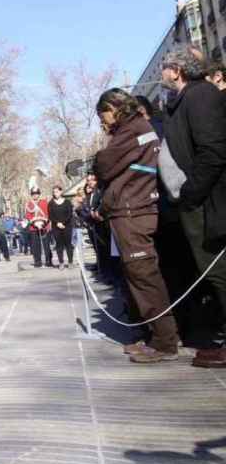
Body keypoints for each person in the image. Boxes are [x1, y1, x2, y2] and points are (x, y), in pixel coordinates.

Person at [93, 87, 180, 363]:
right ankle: (157, 337)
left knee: (144, 276)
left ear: (114, 107)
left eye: (103, 115)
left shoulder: (132, 130)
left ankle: (165, 342)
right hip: (131, 209)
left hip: (132, 211)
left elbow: (104, 165)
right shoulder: (134, 129)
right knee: (140, 277)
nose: (103, 122)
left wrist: (100, 157)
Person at [159, 49, 226, 367]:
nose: (162, 73)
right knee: (209, 271)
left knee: (218, 272)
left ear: (176, 70)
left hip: (206, 202)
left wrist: (190, 194)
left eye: (164, 68)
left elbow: (212, 151)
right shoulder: (182, 100)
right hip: (192, 203)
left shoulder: (201, 96)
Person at [48, 185, 74, 269]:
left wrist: (63, 223)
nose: (55, 193)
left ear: (61, 191)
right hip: (56, 227)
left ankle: (70, 262)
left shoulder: (67, 202)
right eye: (54, 192)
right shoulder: (51, 203)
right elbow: (50, 216)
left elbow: (70, 214)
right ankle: (61, 262)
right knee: (59, 245)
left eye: (57, 191)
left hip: (67, 226)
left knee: (68, 244)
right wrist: (57, 223)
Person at [24, 188, 51, 268]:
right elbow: (28, 215)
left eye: (36, 193)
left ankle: (48, 260)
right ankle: (37, 261)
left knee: (46, 245)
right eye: (33, 194)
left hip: (44, 226)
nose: (35, 195)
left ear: (39, 194)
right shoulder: (29, 204)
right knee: (36, 246)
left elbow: (47, 213)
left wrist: (43, 223)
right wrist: (35, 223)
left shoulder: (44, 202)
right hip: (33, 227)